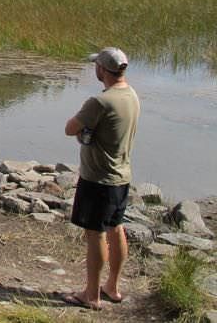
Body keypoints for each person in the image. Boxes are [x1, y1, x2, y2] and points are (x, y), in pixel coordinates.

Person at [61, 47, 140, 311]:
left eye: (97, 65)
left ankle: (91, 295)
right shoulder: (131, 95)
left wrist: (84, 128)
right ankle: (112, 288)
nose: (94, 68)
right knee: (116, 229)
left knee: (94, 234)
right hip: (121, 176)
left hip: (98, 179)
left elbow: (70, 128)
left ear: (103, 70)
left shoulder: (100, 101)